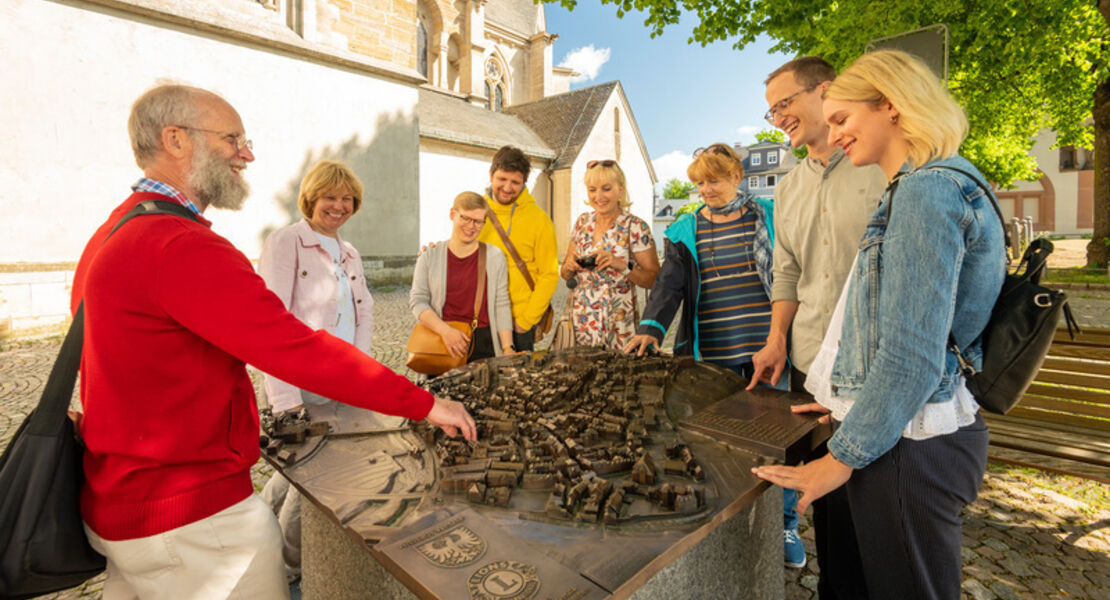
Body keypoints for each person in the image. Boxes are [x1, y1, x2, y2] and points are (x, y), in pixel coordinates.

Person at [70, 84, 475, 600]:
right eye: (232, 139)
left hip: (125, 500)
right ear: (175, 140)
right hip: (190, 519)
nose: (247, 154)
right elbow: (294, 346)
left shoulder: (115, 230)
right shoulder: (182, 245)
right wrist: (423, 403)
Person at [753, 50, 1005, 600]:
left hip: (909, 442)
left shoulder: (924, 190)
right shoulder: (932, 182)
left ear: (890, 105)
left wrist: (840, 457)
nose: (835, 134)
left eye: (842, 118)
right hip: (892, 422)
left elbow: (912, 356)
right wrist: (845, 402)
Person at [747, 57, 887, 575]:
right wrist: (776, 339)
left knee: (879, 506)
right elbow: (786, 272)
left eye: (784, 103)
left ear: (825, 91)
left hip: (876, 365)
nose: (778, 117)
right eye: (771, 111)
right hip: (811, 366)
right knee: (830, 513)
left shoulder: (882, 166)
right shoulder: (787, 188)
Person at [255, 160, 377, 586]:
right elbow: (270, 324)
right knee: (312, 479)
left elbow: (363, 314)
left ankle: (259, 543)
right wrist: (286, 401)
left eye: (347, 199)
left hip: (338, 385)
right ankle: (289, 569)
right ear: (310, 198)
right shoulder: (287, 242)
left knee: (293, 474)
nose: (339, 206)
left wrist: (359, 375)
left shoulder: (350, 252)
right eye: (330, 197)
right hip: (298, 387)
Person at [623, 143, 777, 381]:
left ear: (736, 177)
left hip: (767, 344)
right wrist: (650, 328)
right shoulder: (686, 229)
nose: (706, 190)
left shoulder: (769, 215)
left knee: (772, 404)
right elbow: (668, 284)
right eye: (700, 183)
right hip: (714, 349)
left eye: (713, 181)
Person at [560, 159, 659, 350]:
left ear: (621, 190)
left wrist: (621, 265)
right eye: (592, 190)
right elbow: (564, 273)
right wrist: (569, 267)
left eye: (606, 189)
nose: (598, 196)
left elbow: (653, 280)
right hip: (581, 322)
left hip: (619, 324)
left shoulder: (636, 227)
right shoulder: (582, 223)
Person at [411, 191, 515, 360]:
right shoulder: (429, 256)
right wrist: (445, 331)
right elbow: (418, 301)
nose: (471, 226)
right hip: (441, 339)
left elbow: (501, 303)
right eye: (465, 218)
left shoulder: (495, 256)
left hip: (483, 344)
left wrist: (507, 347)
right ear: (453, 214)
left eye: (477, 221)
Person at [477, 145, 558, 352]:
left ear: (524, 183)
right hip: (480, 320)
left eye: (515, 182)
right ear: (491, 175)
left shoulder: (539, 220)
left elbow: (549, 275)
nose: (507, 187)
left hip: (518, 323)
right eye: (502, 179)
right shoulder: (476, 212)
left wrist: (525, 321)